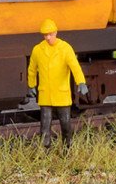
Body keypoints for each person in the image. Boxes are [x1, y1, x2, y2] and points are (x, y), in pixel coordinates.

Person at [26, 19, 88, 149]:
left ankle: (67, 147)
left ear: (55, 33)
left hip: (61, 93)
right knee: (45, 125)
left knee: (65, 124)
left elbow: (74, 67)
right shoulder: (37, 49)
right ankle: (45, 149)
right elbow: (32, 69)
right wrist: (31, 85)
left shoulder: (65, 48)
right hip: (45, 94)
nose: (48, 37)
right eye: (45, 35)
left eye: (50, 34)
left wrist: (81, 82)